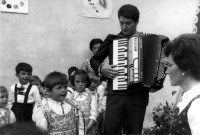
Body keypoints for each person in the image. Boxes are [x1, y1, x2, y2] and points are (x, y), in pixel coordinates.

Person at [90, 4, 150, 135]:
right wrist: (102, 69)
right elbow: (94, 60)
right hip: (116, 96)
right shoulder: (112, 39)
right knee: (110, 131)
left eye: (128, 23)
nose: (124, 27)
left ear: (137, 22)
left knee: (134, 132)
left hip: (138, 97)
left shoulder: (146, 42)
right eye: (121, 23)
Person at [164, 34, 200, 135]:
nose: (167, 71)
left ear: (185, 67)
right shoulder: (190, 95)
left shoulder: (197, 105)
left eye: (170, 65)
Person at [70, 69, 98, 135]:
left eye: (83, 82)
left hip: (89, 128)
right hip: (75, 129)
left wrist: (88, 127)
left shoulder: (91, 96)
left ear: (87, 82)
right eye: (77, 81)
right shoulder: (70, 97)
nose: (80, 84)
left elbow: (94, 113)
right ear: (73, 82)